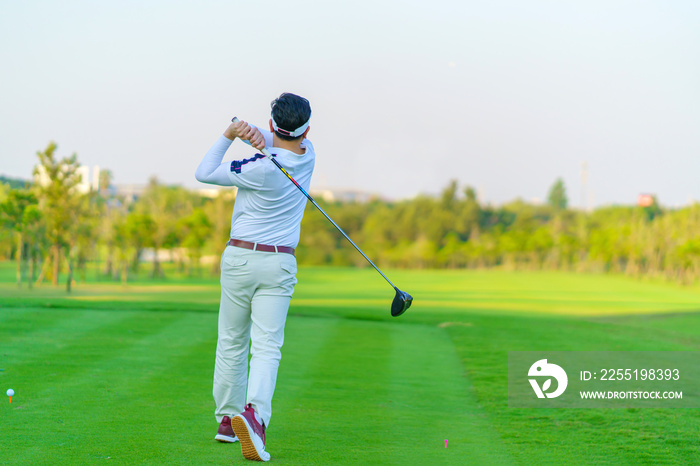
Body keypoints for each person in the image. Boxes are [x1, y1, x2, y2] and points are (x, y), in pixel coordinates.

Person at [194, 93, 314, 462]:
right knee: (266, 345)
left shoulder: (258, 169)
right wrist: (251, 133)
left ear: (273, 122)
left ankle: (228, 421)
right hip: (279, 265)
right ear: (306, 128)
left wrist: (231, 133)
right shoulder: (308, 152)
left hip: (240, 259)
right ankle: (255, 416)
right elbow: (282, 137)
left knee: (231, 339)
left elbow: (204, 171)